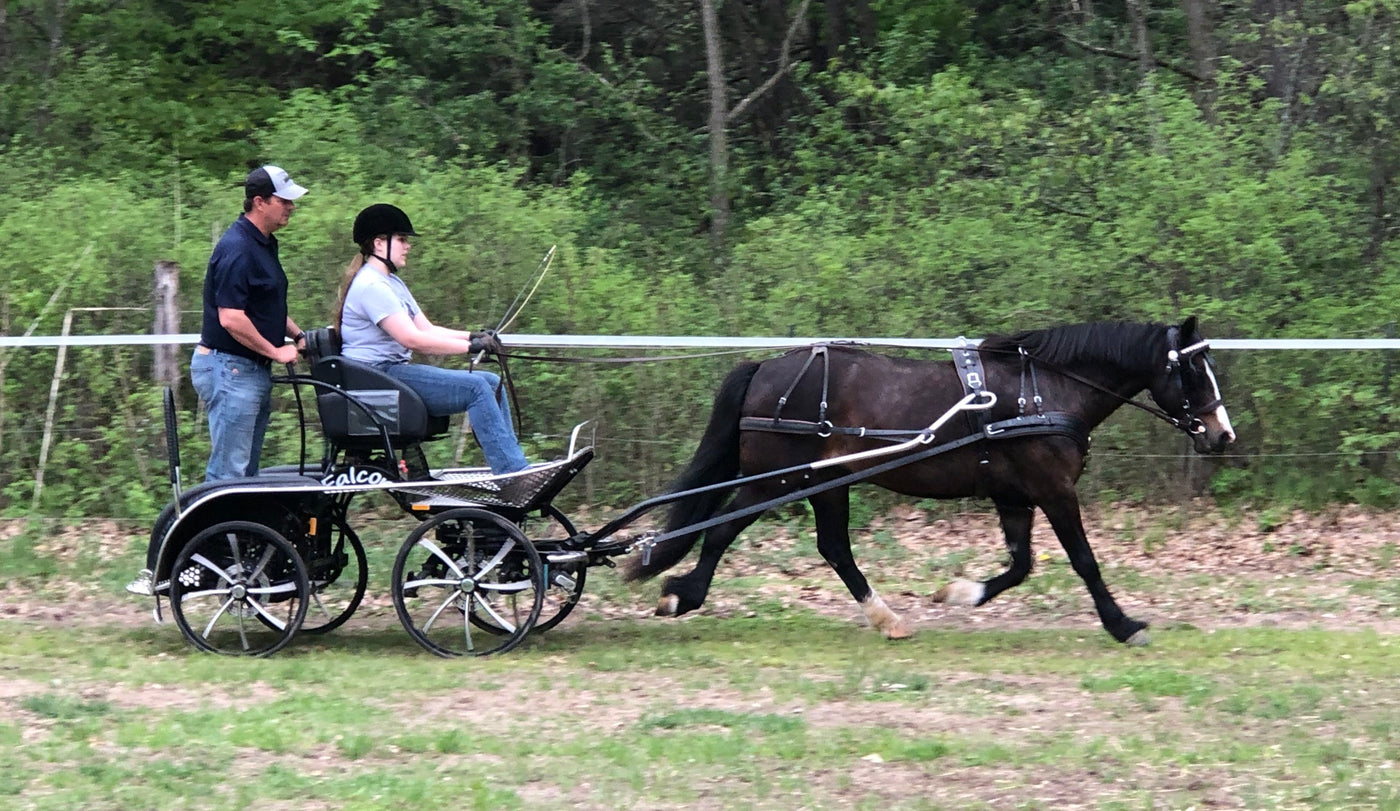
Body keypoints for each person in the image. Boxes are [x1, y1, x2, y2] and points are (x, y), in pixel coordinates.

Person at [127, 164, 308, 596]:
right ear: (259, 202)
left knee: (244, 477)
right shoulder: (237, 249)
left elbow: (265, 306)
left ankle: (234, 565)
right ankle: (192, 568)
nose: (291, 207)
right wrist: (277, 351)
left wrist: (298, 335)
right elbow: (231, 318)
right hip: (230, 369)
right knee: (227, 479)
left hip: (248, 371)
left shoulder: (264, 245)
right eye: (284, 201)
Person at [334, 203, 530, 475]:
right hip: (377, 379)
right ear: (379, 243)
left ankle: (513, 465)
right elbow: (412, 340)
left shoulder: (391, 283)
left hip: (391, 374)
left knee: (490, 381)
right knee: (476, 388)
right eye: (401, 239)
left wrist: (475, 335)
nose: (407, 246)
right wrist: (469, 347)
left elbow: (426, 328)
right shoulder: (372, 286)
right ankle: (512, 474)